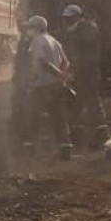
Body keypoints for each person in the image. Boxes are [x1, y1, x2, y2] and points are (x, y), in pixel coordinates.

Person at [60, 4, 108, 146]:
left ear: (77, 16)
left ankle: (101, 134)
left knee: (92, 102)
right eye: (66, 18)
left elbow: (83, 54)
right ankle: (78, 135)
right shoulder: (73, 31)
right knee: (76, 103)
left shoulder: (88, 28)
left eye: (69, 18)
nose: (67, 21)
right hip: (79, 73)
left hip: (88, 73)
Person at [25, 15, 71, 155]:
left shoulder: (37, 41)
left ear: (37, 28)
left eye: (30, 27)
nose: (28, 30)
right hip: (57, 85)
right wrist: (61, 75)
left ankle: (30, 149)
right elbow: (66, 62)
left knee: (34, 116)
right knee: (59, 117)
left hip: (42, 86)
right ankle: (65, 148)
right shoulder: (54, 41)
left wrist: (57, 74)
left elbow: (42, 62)